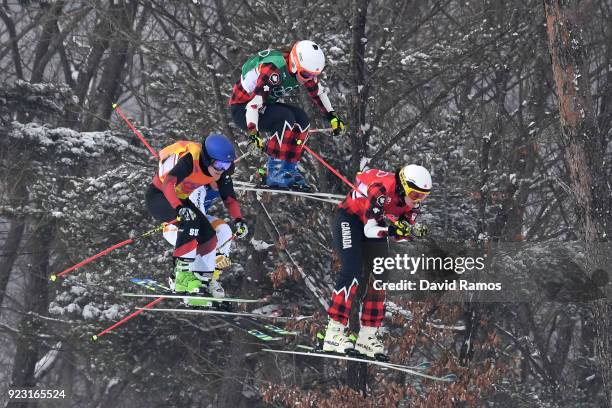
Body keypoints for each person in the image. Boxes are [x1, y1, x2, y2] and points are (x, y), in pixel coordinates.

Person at [322, 165, 432, 359]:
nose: (418, 201)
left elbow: (401, 235)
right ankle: (334, 331)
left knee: (381, 275)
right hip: (351, 219)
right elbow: (370, 230)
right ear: (404, 186)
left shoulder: (413, 204)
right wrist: (394, 231)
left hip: (375, 223)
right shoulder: (380, 190)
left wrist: (409, 232)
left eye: (424, 196)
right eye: (415, 194)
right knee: (352, 270)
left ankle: (368, 336)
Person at [144, 134, 248, 306]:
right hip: (159, 196)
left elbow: (229, 198)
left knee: (208, 235)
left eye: (226, 165)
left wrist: (238, 219)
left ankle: (201, 282)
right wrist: (179, 208)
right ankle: (181, 277)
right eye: (218, 164)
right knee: (191, 222)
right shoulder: (191, 159)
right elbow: (168, 183)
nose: (221, 169)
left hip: (180, 199)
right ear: (207, 159)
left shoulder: (222, 172)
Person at [229, 40, 345, 189]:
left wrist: (333, 117)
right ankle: (274, 171)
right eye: (305, 74)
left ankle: (288, 169)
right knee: (285, 118)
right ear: (295, 63)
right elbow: (253, 105)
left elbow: (318, 93)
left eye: (312, 75)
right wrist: (254, 134)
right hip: (243, 109)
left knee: (302, 120)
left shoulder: (302, 71)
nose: (307, 78)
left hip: (263, 105)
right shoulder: (273, 70)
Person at [161, 185, 234, 299]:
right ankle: (182, 277)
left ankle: (210, 278)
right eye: (220, 167)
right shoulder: (198, 185)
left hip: (198, 222)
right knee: (199, 234)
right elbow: (198, 225)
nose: (221, 173)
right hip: (176, 226)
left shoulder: (219, 182)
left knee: (223, 230)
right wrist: (213, 255)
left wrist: (219, 256)